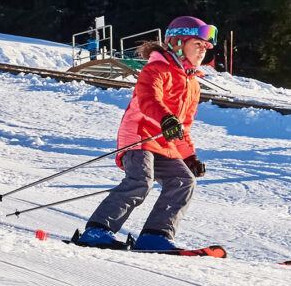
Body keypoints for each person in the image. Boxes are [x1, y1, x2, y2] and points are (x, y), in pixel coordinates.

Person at [76, 15, 219, 251]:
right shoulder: (157, 68)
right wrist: (165, 119)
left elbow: (183, 125)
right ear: (177, 43)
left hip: (165, 142)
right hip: (140, 136)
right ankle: (97, 230)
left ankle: (155, 234)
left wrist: (189, 156)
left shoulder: (193, 83)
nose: (203, 51)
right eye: (197, 44)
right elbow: (148, 99)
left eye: (205, 47)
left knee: (184, 181)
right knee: (141, 181)